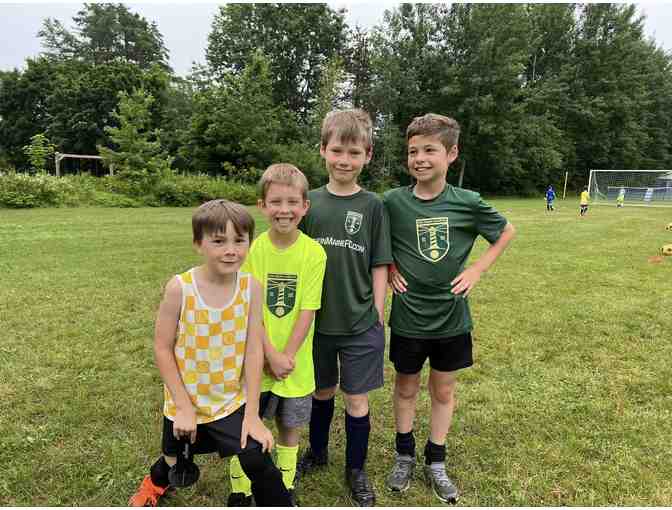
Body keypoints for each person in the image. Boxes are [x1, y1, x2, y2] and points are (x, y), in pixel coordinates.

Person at [382, 113, 515, 503]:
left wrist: (477, 268)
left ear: (451, 153)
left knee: (443, 390)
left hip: (451, 316)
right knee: (405, 387)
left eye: (429, 150)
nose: (420, 158)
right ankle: (404, 454)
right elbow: (379, 240)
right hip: (408, 314)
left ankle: (435, 460)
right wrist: (390, 266)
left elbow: (506, 231)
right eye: (413, 151)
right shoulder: (393, 202)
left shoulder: (468, 202)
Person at [128, 199, 292, 507]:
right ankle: (155, 483)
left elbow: (254, 350)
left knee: (257, 456)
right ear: (198, 244)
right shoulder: (180, 288)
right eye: (219, 241)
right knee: (175, 461)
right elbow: (162, 348)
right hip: (185, 401)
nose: (231, 250)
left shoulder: (252, 288)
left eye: (239, 240)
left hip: (230, 401)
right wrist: (183, 407)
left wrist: (254, 415)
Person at [296, 108, 393, 506]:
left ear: (367, 155)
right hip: (315, 323)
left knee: (356, 399)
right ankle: (317, 453)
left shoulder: (373, 206)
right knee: (321, 392)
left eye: (354, 153)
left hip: (359, 322)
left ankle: (356, 468)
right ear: (322, 150)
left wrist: (378, 312)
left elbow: (379, 263)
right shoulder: (307, 203)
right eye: (337, 151)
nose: (344, 160)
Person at [227, 164, 327, 507]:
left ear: (305, 206)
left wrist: (287, 356)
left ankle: (281, 490)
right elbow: (250, 308)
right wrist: (269, 353)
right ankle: (240, 491)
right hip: (257, 358)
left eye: (292, 203)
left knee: (289, 428)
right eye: (276, 202)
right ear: (262, 205)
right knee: (247, 425)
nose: (284, 210)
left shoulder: (314, 253)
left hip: (296, 365)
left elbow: (307, 309)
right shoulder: (253, 250)